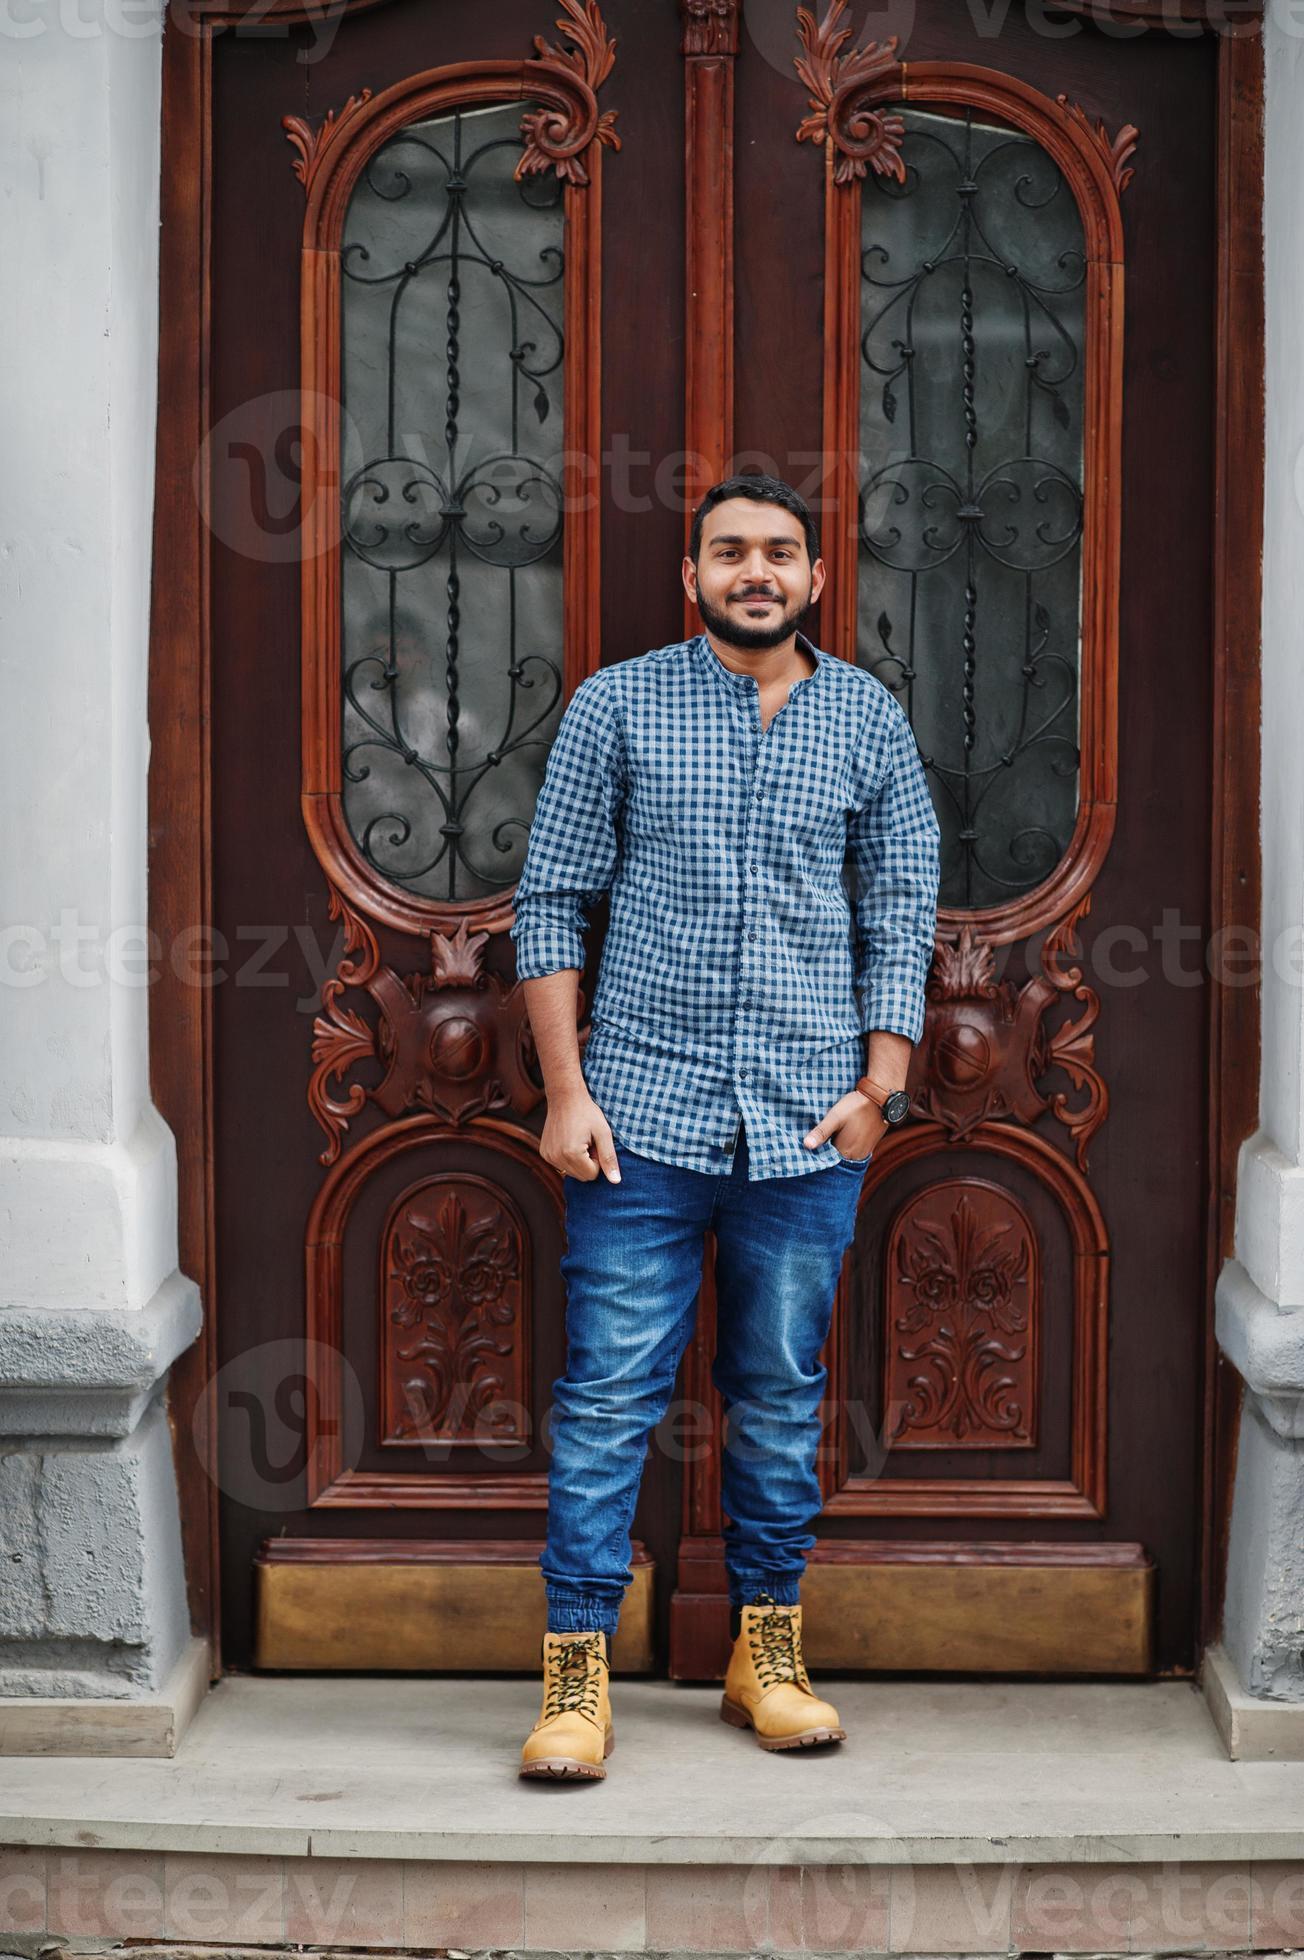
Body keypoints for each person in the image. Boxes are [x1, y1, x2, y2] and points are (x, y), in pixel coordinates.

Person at [509, 473, 940, 1780]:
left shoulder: (866, 718)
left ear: (815, 580)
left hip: (809, 1130)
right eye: (731, 551)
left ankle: (769, 1652)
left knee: (777, 1394)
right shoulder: (618, 707)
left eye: (782, 553)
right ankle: (574, 1677)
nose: (758, 570)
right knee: (604, 1402)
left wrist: (880, 1092)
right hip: (637, 1121)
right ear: (689, 577)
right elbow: (551, 903)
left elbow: (903, 908)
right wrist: (567, 1092)